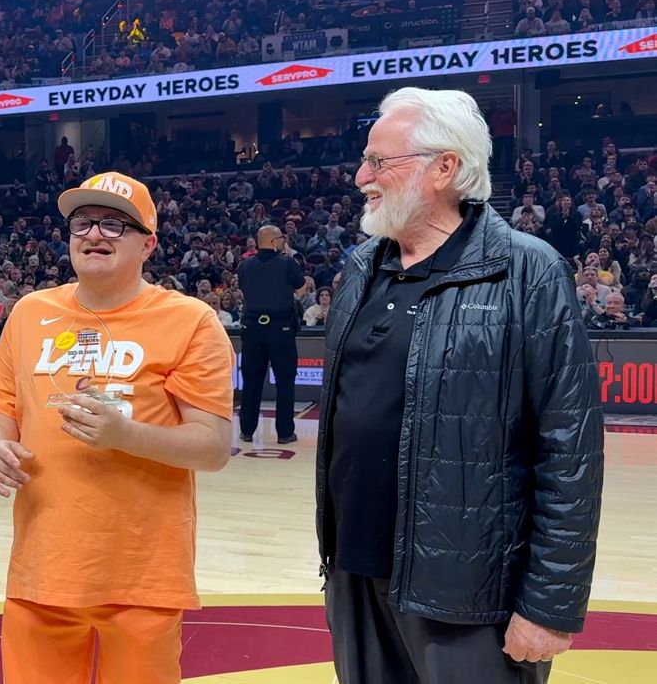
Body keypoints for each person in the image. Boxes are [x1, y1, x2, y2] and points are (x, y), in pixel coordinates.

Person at [319, 87, 603, 684]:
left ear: (444, 167)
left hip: (470, 596)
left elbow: (570, 452)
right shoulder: (361, 269)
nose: (360, 177)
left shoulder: (528, 270)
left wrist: (549, 605)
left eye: (378, 161)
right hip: (356, 576)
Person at [0, 172, 233, 684]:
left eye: (115, 224)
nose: (94, 234)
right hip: (43, 568)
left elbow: (212, 448)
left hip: (142, 573)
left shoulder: (191, 320)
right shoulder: (30, 312)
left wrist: (125, 436)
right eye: (83, 222)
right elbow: (3, 401)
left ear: (148, 244)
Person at [236, 224, 307, 445]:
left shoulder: (245, 265)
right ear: (274, 241)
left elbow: (244, 290)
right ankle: (285, 433)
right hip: (280, 327)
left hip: (252, 327)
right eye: (281, 238)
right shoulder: (287, 263)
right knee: (285, 381)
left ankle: (246, 430)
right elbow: (301, 289)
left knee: (251, 380)